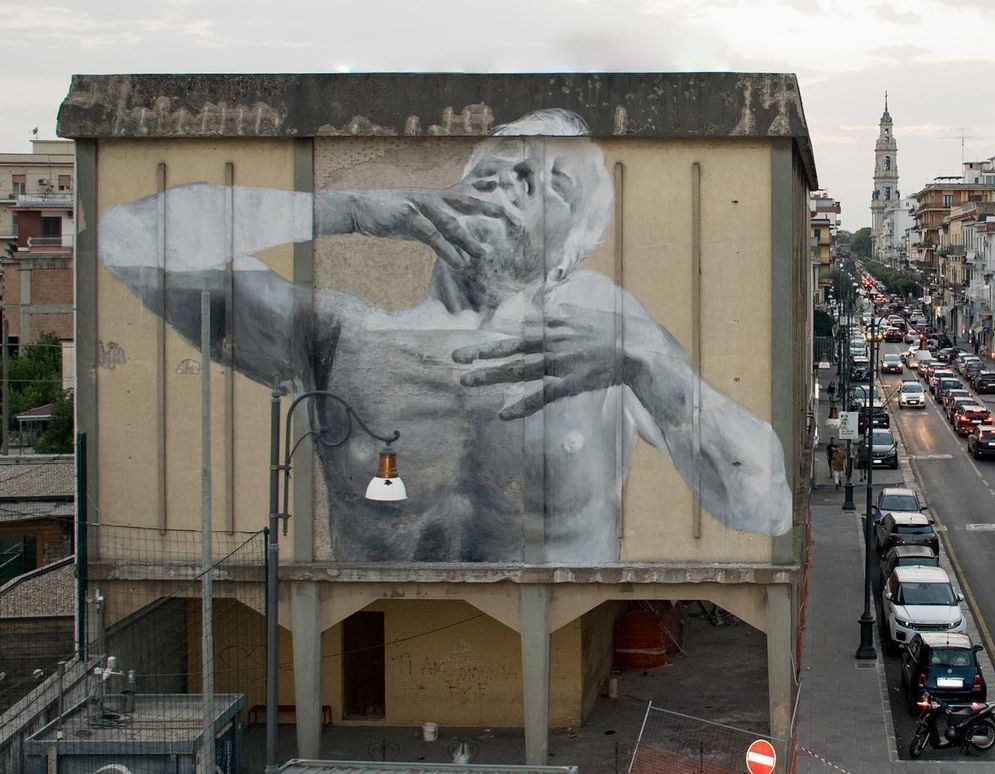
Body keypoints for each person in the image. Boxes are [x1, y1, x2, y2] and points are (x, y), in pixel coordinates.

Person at [98, 109, 793, 564]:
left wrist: (649, 361)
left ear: (568, 255)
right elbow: (125, 238)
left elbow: (764, 506)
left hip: (559, 653)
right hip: (375, 643)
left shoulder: (603, 343)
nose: (519, 171)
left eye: (555, 184)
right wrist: (348, 210)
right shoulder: (341, 336)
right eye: (505, 156)